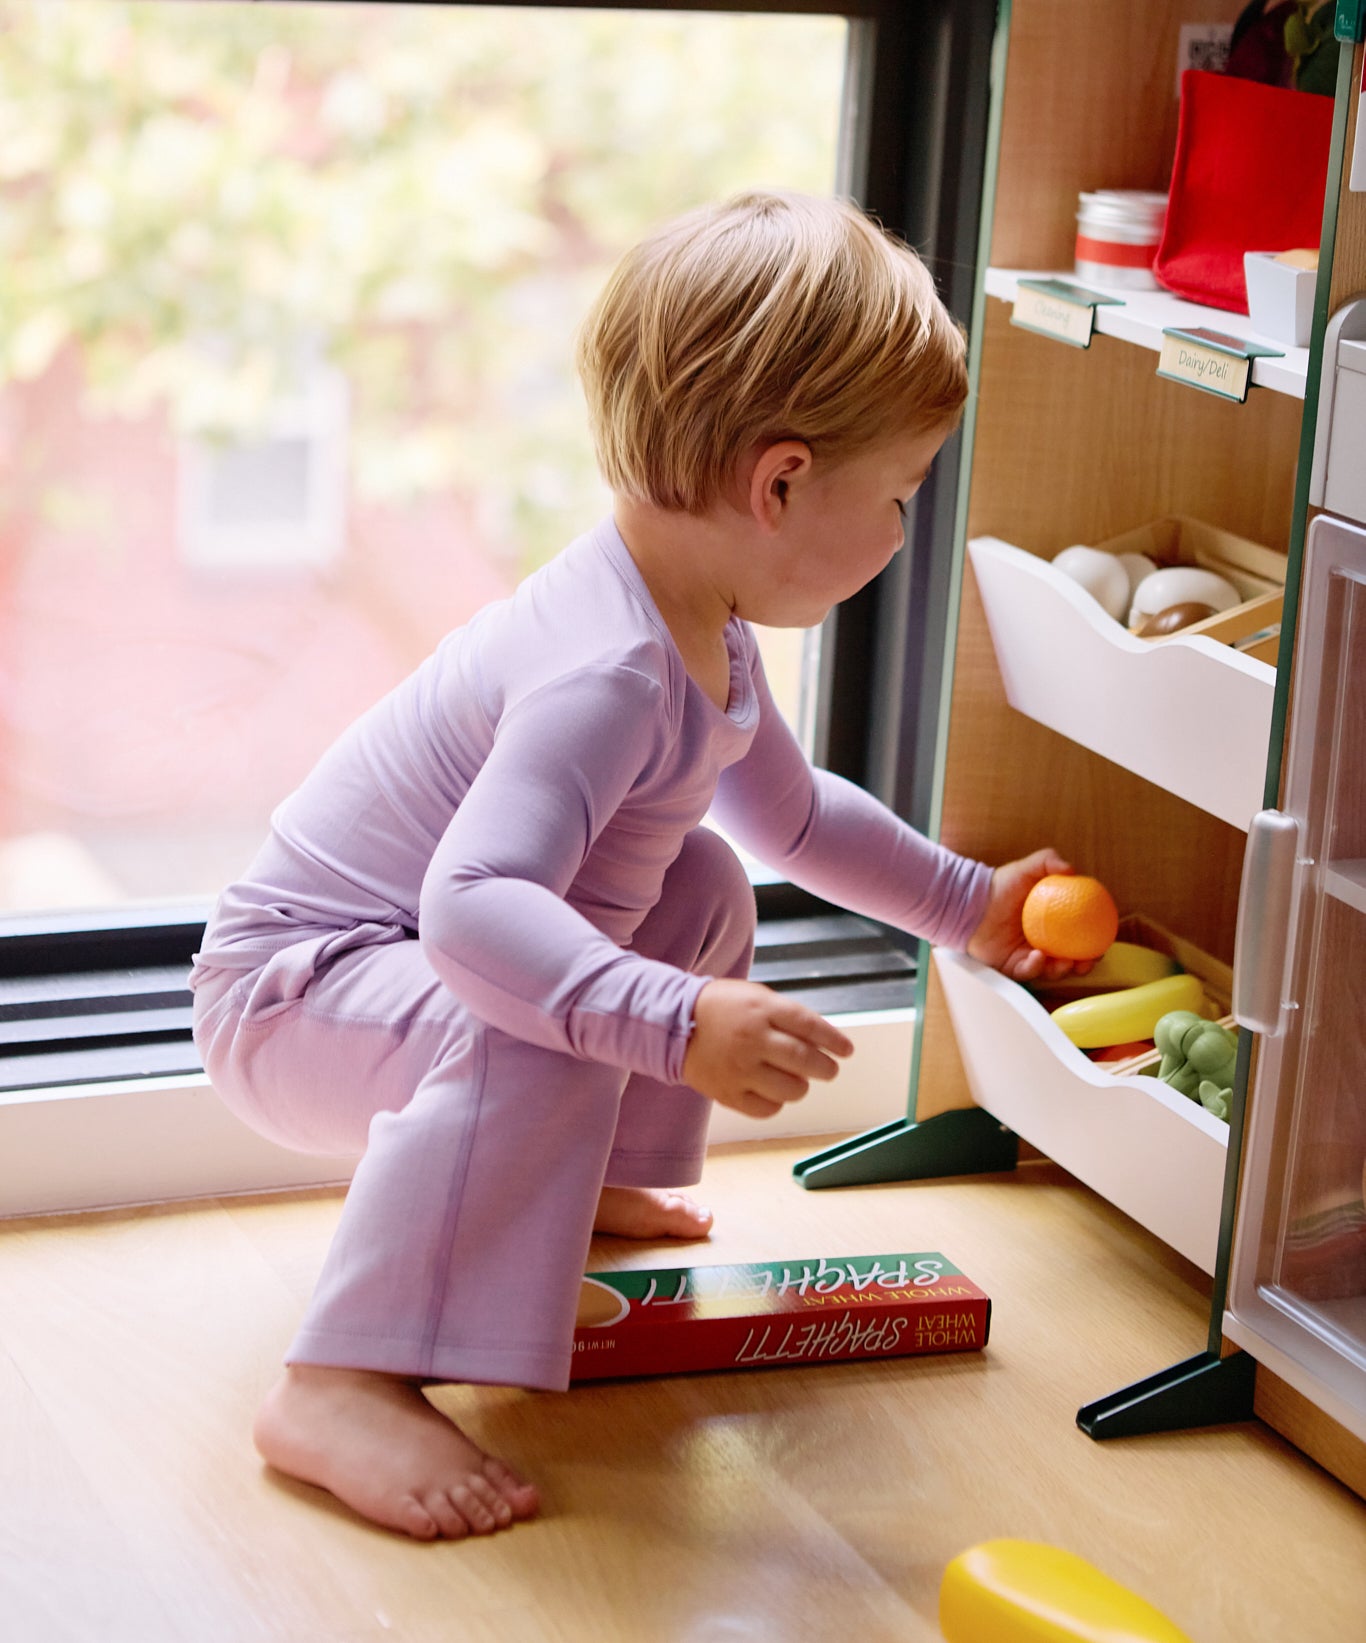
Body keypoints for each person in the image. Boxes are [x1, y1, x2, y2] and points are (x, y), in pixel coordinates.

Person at [191, 190, 1079, 1543]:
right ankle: (337, 1380)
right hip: (294, 995)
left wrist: (968, 908)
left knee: (703, 887)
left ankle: (579, 1177)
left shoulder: (699, 625)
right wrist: (673, 1022)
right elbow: (469, 909)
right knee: (543, 1018)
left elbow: (793, 822)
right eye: (897, 495)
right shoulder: (605, 668)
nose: (904, 534)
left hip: (379, 975)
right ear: (778, 483)